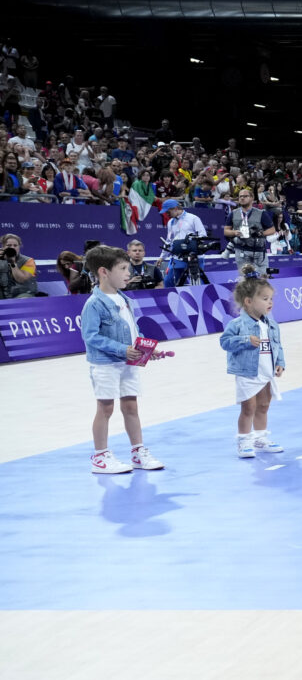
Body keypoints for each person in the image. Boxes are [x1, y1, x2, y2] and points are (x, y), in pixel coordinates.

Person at [80, 246, 164, 474]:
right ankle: (100, 457)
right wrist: (122, 349)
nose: (129, 273)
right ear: (104, 272)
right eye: (123, 268)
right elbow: (90, 336)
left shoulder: (124, 299)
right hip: (105, 364)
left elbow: (133, 331)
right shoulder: (94, 304)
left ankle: (138, 452)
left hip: (128, 363)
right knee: (105, 408)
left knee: (131, 406)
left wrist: (147, 348)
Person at [219, 274, 287, 458]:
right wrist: (244, 340)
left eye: (271, 299)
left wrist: (280, 362)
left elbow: (277, 345)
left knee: (264, 405)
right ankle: (243, 440)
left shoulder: (271, 324)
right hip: (248, 373)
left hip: (266, 373)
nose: (270, 302)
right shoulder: (238, 324)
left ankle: (260, 438)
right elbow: (225, 342)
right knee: (248, 408)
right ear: (248, 301)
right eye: (265, 299)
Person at [161, 198, 207, 287]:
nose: (166, 214)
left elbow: (203, 236)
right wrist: (162, 257)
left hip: (194, 257)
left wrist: (190, 243)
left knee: (199, 285)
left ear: (175, 208)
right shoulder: (170, 222)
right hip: (178, 258)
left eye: (168, 211)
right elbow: (169, 241)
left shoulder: (193, 218)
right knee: (168, 281)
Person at [224, 187, 275, 267]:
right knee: (245, 278)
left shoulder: (261, 213)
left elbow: (272, 230)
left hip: (259, 251)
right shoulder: (233, 213)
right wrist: (234, 232)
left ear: (252, 198)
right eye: (240, 196)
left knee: (262, 277)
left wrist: (261, 233)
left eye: (245, 196)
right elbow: (226, 231)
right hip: (241, 251)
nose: (242, 198)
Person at [0, 232, 39, 299]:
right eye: (9, 245)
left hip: (23, 293)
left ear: (19, 247)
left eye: (15, 245)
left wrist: (12, 263)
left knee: (23, 299)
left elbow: (21, 279)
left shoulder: (29, 261)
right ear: (3, 247)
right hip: (3, 294)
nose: (12, 247)